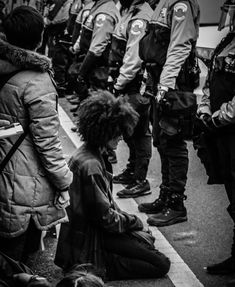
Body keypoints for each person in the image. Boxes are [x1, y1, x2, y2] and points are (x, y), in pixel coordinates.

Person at [54, 91, 170, 281]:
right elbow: (105, 218)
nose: (120, 138)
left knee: (146, 242)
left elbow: (106, 209)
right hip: (92, 240)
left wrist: (131, 227)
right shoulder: (91, 165)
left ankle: (110, 259)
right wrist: (134, 222)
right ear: (103, 132)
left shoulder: (92, 154)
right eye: (116, 134)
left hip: (93, 233)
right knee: (160, 263)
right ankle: (104, 266)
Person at [0, 6, 72, 263]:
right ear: (40, 38)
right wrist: (64, 182)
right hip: (23, 182)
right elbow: (48, 143)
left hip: (4, 168)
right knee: (17, 260)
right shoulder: (38, 81)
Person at [137, 0, 200, 227]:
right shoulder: (161, 2)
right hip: (159, 79)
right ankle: (165, 196)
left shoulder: (180, 3)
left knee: (173, 141)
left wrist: (165, 85)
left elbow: (180, 46)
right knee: (162, 141)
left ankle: (176, 205)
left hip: (173, 82)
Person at [196, 0, 235, 282]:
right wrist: (205, 109)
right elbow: (211, 80)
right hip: (221, 132)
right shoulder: (227, 41)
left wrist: (220, 116)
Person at [109, 0, 153, 198]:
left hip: (135, 84)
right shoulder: (129, 12)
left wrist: (119, 83)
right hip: (127, 81)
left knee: (139, 131)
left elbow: (134, 56)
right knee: (130, 131)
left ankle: (140, 180)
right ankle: (132, 171)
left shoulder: (140, 17)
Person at [74, 0, 120, 102]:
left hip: (99, 67)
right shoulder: (98, 6)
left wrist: (82, 72)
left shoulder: (105, 13)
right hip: (93, 64)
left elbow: (97, 48)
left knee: (97, 102)